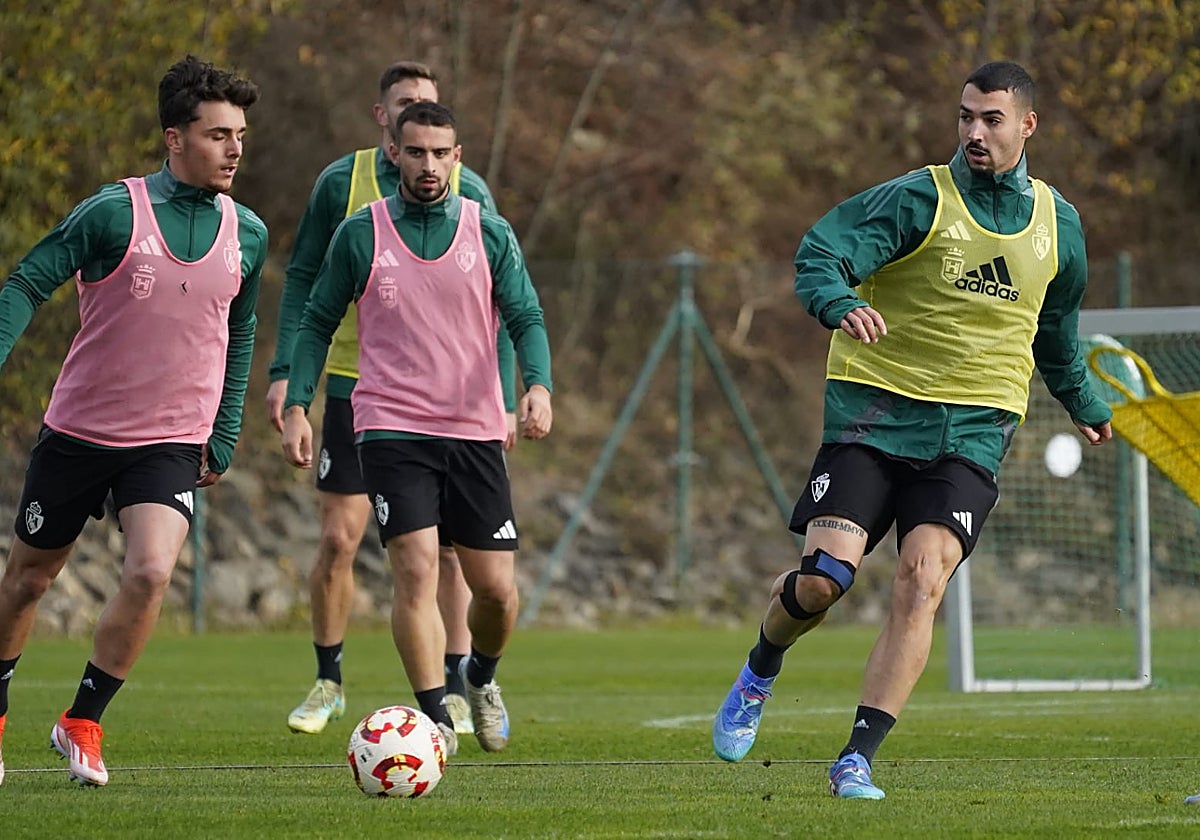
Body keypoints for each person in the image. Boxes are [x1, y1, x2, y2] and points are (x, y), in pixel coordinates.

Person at [711, 60, 1114, 799]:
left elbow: (1055, 331)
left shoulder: (1059, 224)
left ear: (1027, 125)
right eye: (965, 117)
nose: (974, 132)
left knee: (922, 580)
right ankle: (760, 668)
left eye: (991, 119)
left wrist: (1083, 402)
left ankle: (856, 758)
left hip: (974, 429)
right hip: (876, 412)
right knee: (824, 582)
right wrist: (838, 302)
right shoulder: (918, 198)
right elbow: (821, 254)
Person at [0, 55, 265, 787]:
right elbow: (27, 280)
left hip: (171, 440)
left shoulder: (249, 232)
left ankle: (82, 721)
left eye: (240, 134)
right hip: (80, 432)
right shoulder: (113, 212)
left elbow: (239, 330)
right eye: (218, 135)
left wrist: (226, 425)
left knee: (151, 571)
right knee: (27, 582)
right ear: (174, 138)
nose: (236, 148)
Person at [281, 100, 551, 756]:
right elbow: (317, 321)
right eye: (416, 151)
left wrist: (537, 386)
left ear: (458, 159)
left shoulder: (489, 233)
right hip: (390, 425)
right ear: (393, 154)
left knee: (496, 591)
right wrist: (297, 402)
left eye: (441, 153)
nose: (428, 164)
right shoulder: (360, 232)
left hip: (474, 429)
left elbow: (526, 316)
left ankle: (480, 678)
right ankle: (433, 716)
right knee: (416, 568)